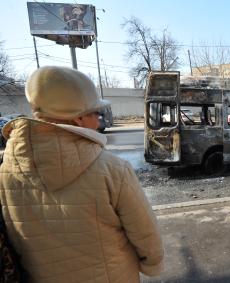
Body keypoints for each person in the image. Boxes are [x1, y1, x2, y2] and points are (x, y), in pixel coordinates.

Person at [0, 66, 163, 282]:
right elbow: (147, 237)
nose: (99, 121)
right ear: (78, 119)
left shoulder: (6, 171)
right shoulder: (113, 170)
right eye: (96, 113)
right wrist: (152, 265)